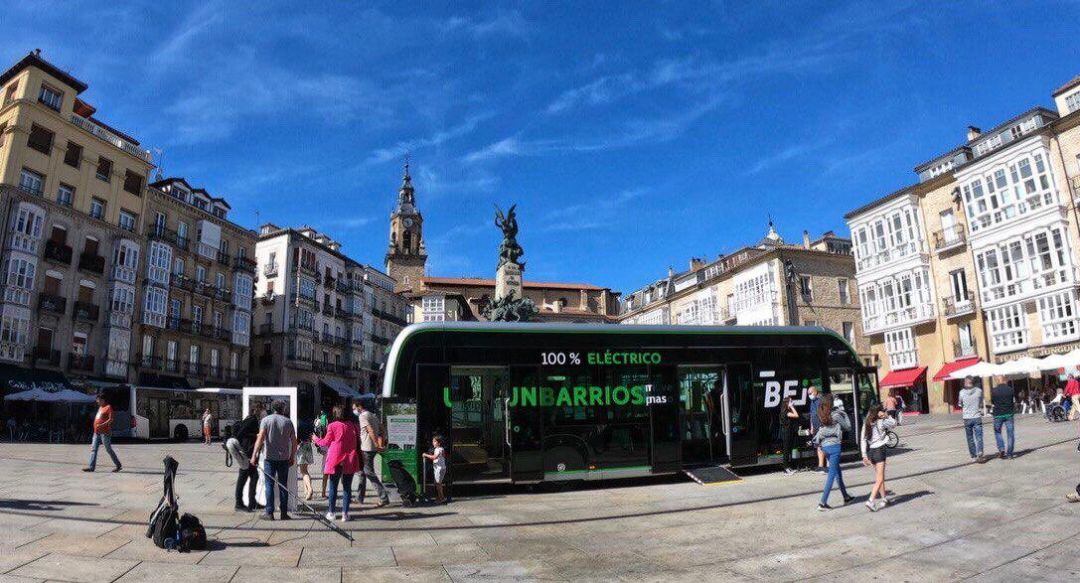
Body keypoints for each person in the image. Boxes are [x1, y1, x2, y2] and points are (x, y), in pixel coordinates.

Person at [250, 401, 297, 520]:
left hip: (269, 458)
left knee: (269, 485)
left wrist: (254, 455)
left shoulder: (265, 420)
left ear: (273, 408)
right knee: (283, 486)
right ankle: (284, 513)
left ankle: (269, 512)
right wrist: (292, 456)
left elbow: (260, 438)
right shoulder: (288, 422)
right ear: (283, 408)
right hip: (283, 459)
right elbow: (294, 441)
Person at [314, 405, 360, 522]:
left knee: (333, 486)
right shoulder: (354, 426)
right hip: (349, 458)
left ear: (334, 414)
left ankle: (332, 512)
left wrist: (315, 439)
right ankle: (345, 514)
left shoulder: (332, 426)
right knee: (347, 487)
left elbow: (325, 442)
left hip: (336, 459)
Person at [811, 398, 852, 511]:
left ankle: (846, 497)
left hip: (825, 447)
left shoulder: (822, 415)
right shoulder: (836, 415)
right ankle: (822, 503)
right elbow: (848, 427)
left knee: (837, 472)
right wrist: (844, 414)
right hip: (835, 448)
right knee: (831, 475)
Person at [861, 404, 897, 511]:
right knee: (880, 478)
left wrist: (864, 455)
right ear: (878, 412)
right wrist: (886, 416)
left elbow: (863, 439)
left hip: (871, 452)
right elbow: (894, 424)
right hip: (880, 451)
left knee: (879, 477)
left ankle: (884, 498)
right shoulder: (881, 422)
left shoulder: (866, 423)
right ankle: (870, 500)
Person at [356, 399, 390, 507]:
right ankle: (359, 497)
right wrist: (381, 443)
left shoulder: (362, 416)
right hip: (371, 448)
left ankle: (383, 497)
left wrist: (376, 443)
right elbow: (382, 429)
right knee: (362, 472)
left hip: (367, 448)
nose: (355, 409)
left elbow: (370, 430)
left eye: (355, 407)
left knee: (369, 472)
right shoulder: (373, 415)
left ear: (359, 406)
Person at [232, 404, 264, 512]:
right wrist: (255, 436)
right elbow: (241, 434)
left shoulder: (251, 419)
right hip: (247, 453)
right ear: (254, 410)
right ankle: (239, 503)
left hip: (248, 453)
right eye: (259, 409)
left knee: (253, 477)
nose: (261, 411)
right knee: (243, 477)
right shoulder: (251, 420)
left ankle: (252, 502)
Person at [82, 394, 121, 473]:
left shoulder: (108, 407)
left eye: (98, 400)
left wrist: (101, 425)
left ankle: (118, 465)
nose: (97, 402)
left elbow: (111, 419)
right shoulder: (100, 408)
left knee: (108, 449)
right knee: (93, 449)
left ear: (103, 400)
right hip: (96, 433)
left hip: (105, 433)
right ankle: (91, 467)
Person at [959, 376, 987, 463]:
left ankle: (974, 456)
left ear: (965, 382)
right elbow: (981, 402)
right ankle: (980, 452)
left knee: (970, 438)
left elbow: (960, 404)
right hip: (977, 417)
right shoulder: (979, 391)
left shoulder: (962, 392)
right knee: (979, 437)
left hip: (967, 418)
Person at [990, 376, 1016, 459]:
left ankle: (1001, 448)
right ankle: (1009, 454)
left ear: (998, 380)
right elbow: (1012, 401)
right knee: (1010, 434)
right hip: (1009, 414)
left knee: (997, 432)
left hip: (998, 414)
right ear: (1004, 380)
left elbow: (993, 401)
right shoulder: (1010, 389)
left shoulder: (994, 390)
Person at [422, 435, 448, 503]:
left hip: (439, 469)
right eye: (433, 441)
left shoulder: (437, 449)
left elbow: (434, 457)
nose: (433, 443)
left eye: (435, 441)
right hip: (442, 467)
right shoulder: (442, 449)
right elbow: (443, 457)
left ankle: (441, 498)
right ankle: (441, 497)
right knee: (439, 484)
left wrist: (425, 455)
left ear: (439, 443)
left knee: (437, 484)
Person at [296, 418, 316, 501]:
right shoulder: (309, 422)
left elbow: (297, 438)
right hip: (308, 446)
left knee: (303, 472)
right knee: (306, 470)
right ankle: (307, 492)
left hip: (302, 446)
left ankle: (310, 489)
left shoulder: (298, 423)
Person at [779, 397, 799, 474]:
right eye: (790, 401)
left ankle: (788, 467)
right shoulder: (785, 412)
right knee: (786, 451)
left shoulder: (787, 411)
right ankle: (785, 468)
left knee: (788, 450)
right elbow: (796, 415)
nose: (792, 402)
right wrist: (791, 407)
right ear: (787, 403)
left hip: (789, 433)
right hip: (786, 433)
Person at [808, 387, 825, 473]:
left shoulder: (821, 400)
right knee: (818, 446)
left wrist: (823, 425)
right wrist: (811, 427)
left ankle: (825, 466)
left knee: (822, 446)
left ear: (815, 392)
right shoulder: (812, 402)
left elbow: (824, 414)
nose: (809, 395)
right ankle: (820, 465)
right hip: (815, 427)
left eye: (810, 393)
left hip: (821, 426)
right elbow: (811, 415)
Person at [314, 409, 329, 499]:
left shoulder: (319, 420)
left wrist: (318, 446)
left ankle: (323, 492)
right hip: (333, 458)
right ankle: (325, 492)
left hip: (326, 460)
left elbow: (321, 449)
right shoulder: (326, 420)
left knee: (325, 476)